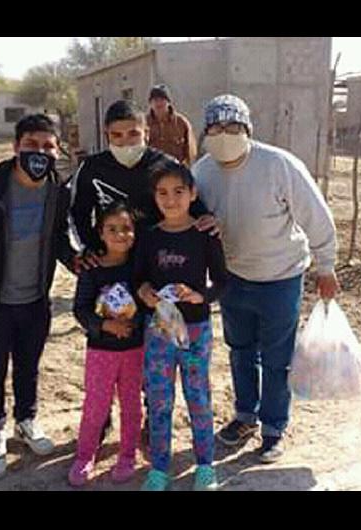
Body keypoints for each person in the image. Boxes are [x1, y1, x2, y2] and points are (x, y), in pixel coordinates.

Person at [192, 94, 340, 464]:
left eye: (233, 128)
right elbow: (191, 220)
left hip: (280, 277)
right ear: (205, 132)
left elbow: (316, 216)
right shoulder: (203, 172)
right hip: (232, 278)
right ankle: (245, 416)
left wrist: (326, 265)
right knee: (240, 351)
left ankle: (273, 428)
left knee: (277, 359)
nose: (224, 135)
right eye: (216, 128)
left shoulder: (278, 165)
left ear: (248, 130)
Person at [70, 99, 218, 450]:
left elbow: (191, 206)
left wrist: (208, 219)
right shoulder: (92, 168)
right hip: (111, 273)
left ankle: (153, 417)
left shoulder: (164, 165)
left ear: (146, 132)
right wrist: (92, 253)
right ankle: (102, 416)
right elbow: (77, 215)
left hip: (155, 276)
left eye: (133, 133)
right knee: (110, 343)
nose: (125, 142)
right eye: (116, 136)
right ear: (106, 136)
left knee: (153, 351)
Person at [0, 113, 82, 479]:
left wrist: (78, 262)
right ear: (16, 147)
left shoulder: (58, 192)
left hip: (35, 301)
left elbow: (58, 239)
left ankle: (26, 421)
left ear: (57, 152)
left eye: (47, 147)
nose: (40, 153)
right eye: (32, 145)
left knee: (28, 366)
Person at [134, 161, 228, 491]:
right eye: (162, 193)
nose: (170, 199)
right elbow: (139, 279)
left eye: (178, 192)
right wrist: (144, 292)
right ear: (154, 197)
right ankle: (159, 469)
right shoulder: (148, 237)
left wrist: (199, 297)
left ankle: (205, 466)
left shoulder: (205, 234)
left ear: (193, 194)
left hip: (196, 331)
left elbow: (221, 282)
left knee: (198, 397)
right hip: (160, 329)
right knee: (159, 398)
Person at [69, 203, 144, 486]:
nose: (120, 235)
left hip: (135, 349)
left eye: (126, 229)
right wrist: (105, 326)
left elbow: (148, 306)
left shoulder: (139, 266)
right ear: (100, 233)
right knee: (96, 405)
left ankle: (127, 455)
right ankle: (85, 455)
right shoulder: (92, 268)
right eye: (112, 229)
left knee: (131, 404)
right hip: (101, 351)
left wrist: (133, 326)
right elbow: (81, 309)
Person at [146, 84, 197, 167]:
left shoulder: (181, 123)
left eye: (162, 99)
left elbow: (191, 152)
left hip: (176, 171)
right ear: (150, 103)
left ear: (169, 102)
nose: (158, 103)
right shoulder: (144, 124)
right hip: (151, 172)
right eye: (155, 100)